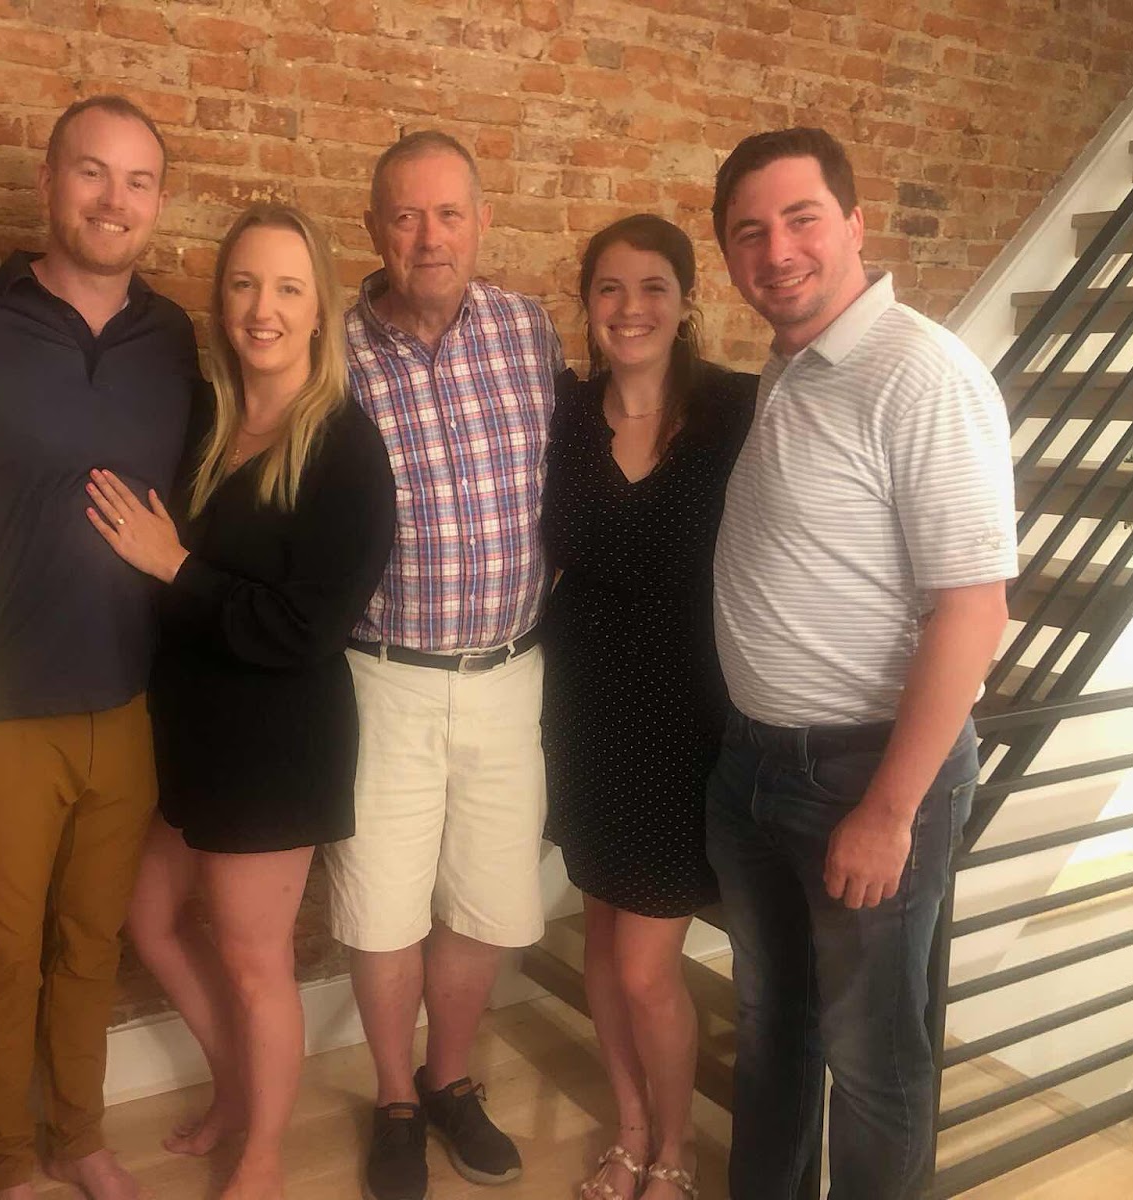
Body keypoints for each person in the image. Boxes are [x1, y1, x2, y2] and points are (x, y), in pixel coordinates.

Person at [706, 127, 1017, 1200]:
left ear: (854, 224)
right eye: (748, 232)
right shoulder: (794, 366)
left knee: (874, 1064)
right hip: (758, 767)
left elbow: (973, 610)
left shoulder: (919, 374)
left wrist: (889, 810)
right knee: (773, 1033)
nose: (776, 251)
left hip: (863, 774)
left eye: (800, 220)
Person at [0, 96, 202, 1200]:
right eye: (91, 172)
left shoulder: (174, 337)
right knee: (3, 956)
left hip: (128, 697)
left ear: (156, 202)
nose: (113, 200)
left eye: (137, 181)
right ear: (47, 183)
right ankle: (1, 1156)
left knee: (90, 945)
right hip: (0, 704)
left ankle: (77, 1136)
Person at [90, 203, 395, 1200]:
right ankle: (237, 1089)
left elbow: (307, 627)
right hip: (190, 728)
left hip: (275, 740)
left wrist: (176, 566)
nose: (264, 308)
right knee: (148, 918)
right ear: (222, 301)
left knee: (255, 959)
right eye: (245, 285)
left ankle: (263, 1153)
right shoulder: (207, 419)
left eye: (288, 288)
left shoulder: (345, 447)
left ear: (320, 311)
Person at [322, 130, 565, 1200]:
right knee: (382, 903)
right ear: (374, 228)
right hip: (382, 675)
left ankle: (450, 1077)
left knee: (482, 898)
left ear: (481, 222)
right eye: (407, 215)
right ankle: (393, 1098)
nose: (430, 237)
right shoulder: (331, 350)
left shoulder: (527, 330)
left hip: (510, 674)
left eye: (450, 214)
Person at [541, 214, 756, 1200]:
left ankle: (677, 1146)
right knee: (598, 938)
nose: (629, 308)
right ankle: (629, 1125)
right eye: (609, 288)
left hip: (685, 721)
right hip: (580, 709)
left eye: (652, 287)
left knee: (642, 966)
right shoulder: (563, 415)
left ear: (685, 301)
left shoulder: (737, 411)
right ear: (587, 303)